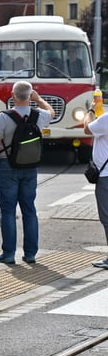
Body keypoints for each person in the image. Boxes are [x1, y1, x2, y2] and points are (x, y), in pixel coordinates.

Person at [0, 81, 53, 264]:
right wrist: (38, 99)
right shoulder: (39, 115)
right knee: (29, 210)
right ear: (30, 96)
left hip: (6, 166)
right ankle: (30, 254)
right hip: (30, 167)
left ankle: (8, 254)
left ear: (12, 95)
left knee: (8, 211)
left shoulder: (3, 117)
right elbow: (51, 112)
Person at [83, 103, 108, 269]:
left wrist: (91, 110)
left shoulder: (106, 119)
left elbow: (87, 128)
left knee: (107, 218)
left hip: (106, 177)